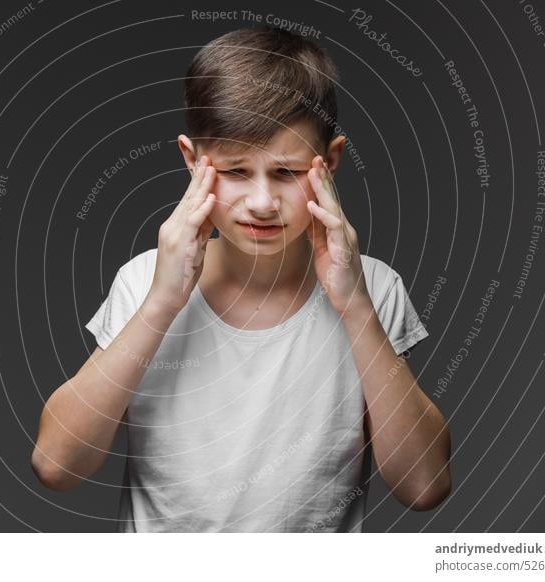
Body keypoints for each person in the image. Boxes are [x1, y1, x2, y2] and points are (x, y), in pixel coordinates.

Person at [32, 26, 451, 532]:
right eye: (234, 171)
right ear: (193, 161)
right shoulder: (143, 282)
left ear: (331, 162)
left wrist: (355, 306)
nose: (261, 202)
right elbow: (55, 466)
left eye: (286, 172)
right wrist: (163, 301)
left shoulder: (374, 290)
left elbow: (425, 484)